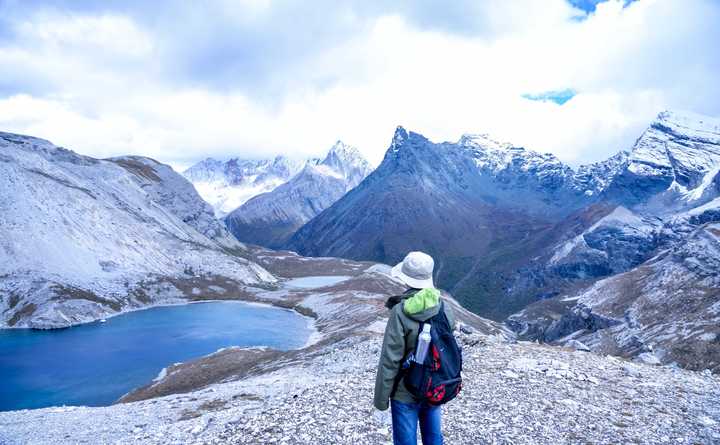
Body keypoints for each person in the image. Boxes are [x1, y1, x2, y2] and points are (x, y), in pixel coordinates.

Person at [373, 251, 455, 445]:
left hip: (405, 391)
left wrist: (380, 403)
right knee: (434, 439)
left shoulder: (399, 312)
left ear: (406, 278)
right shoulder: (444, 307)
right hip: (435, 385)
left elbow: (390, 360)